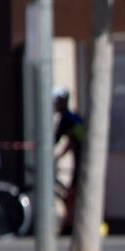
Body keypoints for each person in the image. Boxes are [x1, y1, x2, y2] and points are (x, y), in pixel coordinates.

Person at [53, 87, 84, 235]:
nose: (54, 105)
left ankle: (70, 225)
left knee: (72, 195)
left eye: (56, 102)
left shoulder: (66, 118)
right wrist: (59, 156)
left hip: (82, 161)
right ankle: (69, 223)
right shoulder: (73, 117)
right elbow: (71, 142)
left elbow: (54, 141)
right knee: (71, 194)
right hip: (81, 158)